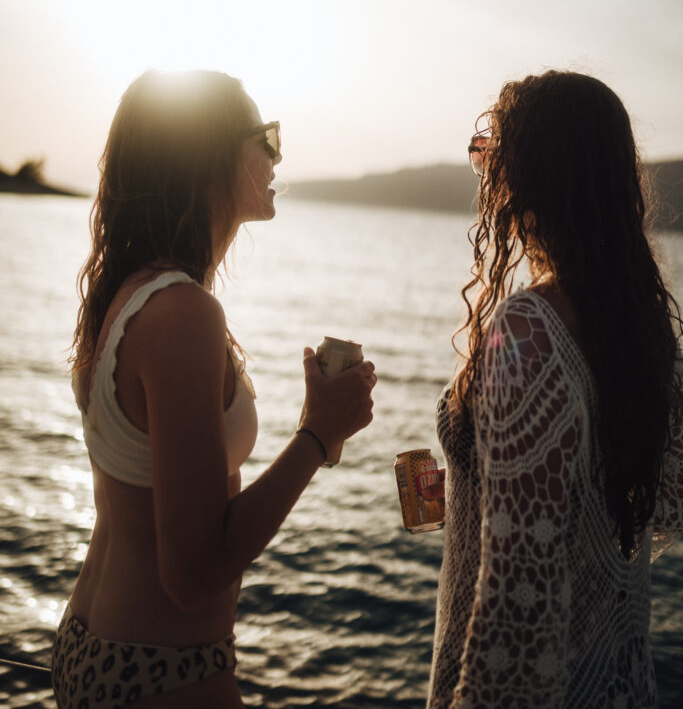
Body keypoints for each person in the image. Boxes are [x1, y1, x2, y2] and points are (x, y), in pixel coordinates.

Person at [51, 69, 376, 709]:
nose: (277, 155)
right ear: (210, 156)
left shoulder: (131, 296)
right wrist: (317, 435)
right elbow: (195, 574)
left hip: (98, 649)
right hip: (163, 670)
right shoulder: (183, 314)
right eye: (266, 138)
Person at [426, 70, 683, 708]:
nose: (486, 175)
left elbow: (517, 618)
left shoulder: (529, 330)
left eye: (491, 156)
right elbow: (667, 506)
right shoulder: (642, 328)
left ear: (529, 176)